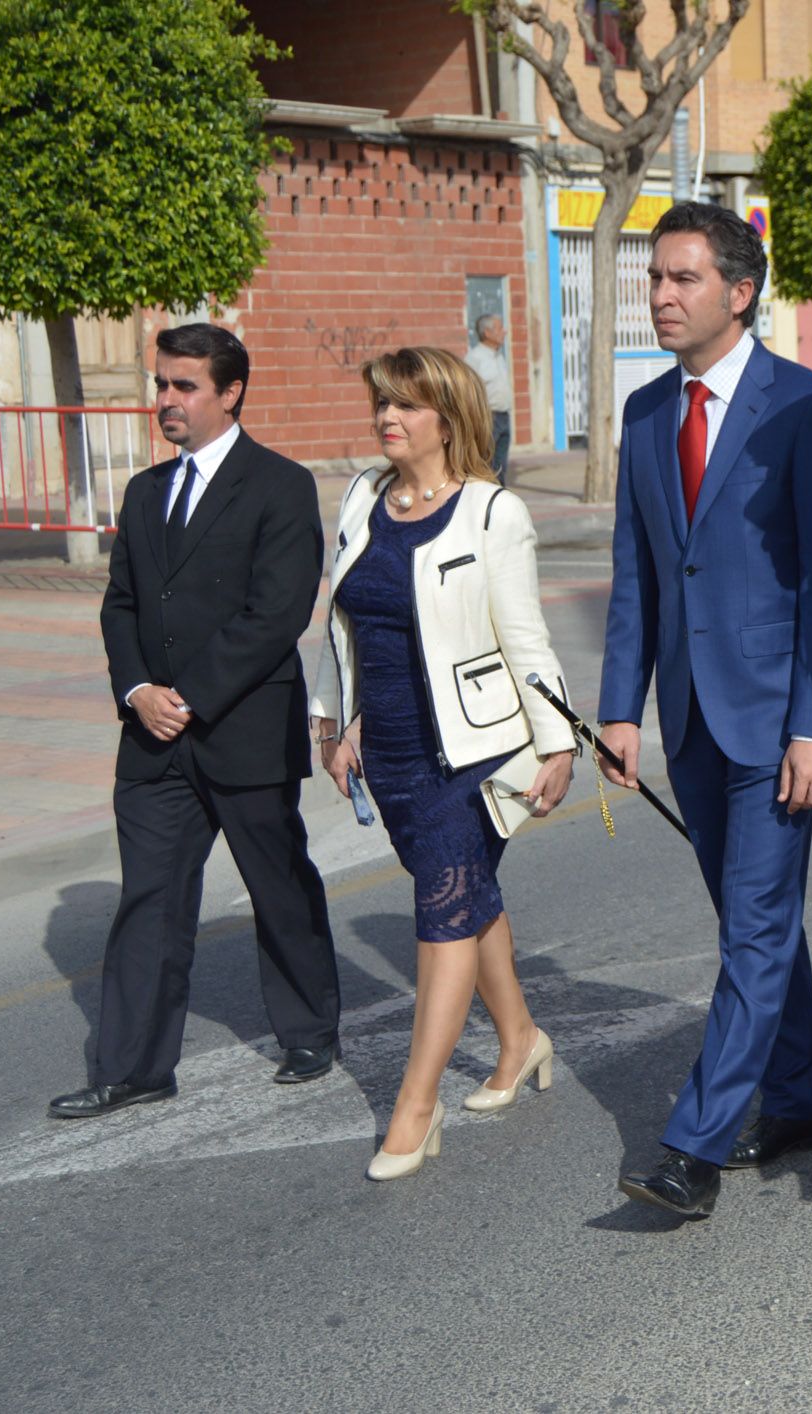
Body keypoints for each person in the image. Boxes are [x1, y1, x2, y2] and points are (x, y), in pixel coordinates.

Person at [598, 201, 812, 1220]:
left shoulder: (806, 407)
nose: (660, 296)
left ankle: (691, 1149)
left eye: (682, 280)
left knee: (752, 930)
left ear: (738, 291)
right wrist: (619, 707)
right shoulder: (643, 413)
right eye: (654, 279)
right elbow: (636, 571)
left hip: (773, 722)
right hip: (687, 717)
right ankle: (796, 1097)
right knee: (752, 922)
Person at [50, 323, 343, 1119]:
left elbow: (276, 612)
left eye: (184, 386)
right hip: (151, 740)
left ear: (229, 392)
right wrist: (139, 688)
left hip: (242, 730)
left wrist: (192, 695)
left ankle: (309, 1028)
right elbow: (122, 606)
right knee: (148, 898)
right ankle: (135, 1065)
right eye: (161, 385)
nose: (166, 401)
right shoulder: (146, 493)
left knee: (276, 883)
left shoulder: (280, 485)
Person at [308, 346, 576, 1180]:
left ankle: (413, 1111)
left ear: (448, 418)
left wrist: (560, 737)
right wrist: (330, 722)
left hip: (472, 749)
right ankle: (523, 1040)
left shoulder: (493, 513)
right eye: (382, 403)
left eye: (407, 406)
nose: (388, 418)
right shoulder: (361, 498)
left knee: (443, 912)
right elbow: (340, 625)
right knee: (467, 897)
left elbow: (524, 635)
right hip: (388, 747)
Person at [464, 314, 515, 475]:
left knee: (501, 465)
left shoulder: (498, 355)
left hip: (503, 416)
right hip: (487, 417)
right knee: (486, 464)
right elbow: (468, 393)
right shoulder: (474, 358)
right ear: (487, 333)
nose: (504, 332)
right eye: (500, 328)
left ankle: (500, 495)